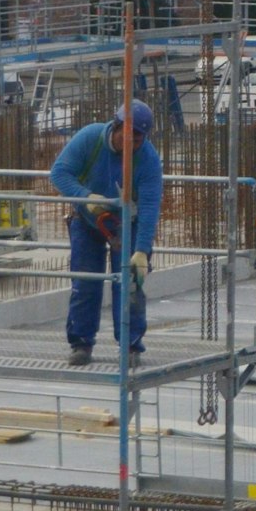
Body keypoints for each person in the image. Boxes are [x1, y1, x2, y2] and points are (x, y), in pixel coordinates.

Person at [50, 100, 164, 367]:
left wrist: (141, 251)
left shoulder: (147, 158)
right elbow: (59, 173)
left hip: (128, 224)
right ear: (116, 126)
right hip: (88, 222)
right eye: (129, 137)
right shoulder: (90, 138)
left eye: (138, 140)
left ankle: (130, 345)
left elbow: (149, 207)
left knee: (130, 284)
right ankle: (81, 343)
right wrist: (85, 196)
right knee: (86, 284)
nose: (132, 145)